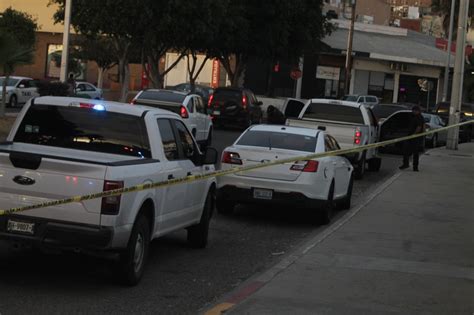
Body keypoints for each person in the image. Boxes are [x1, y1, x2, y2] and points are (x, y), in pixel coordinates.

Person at [399, 105, 425, 171]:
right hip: (413, 137)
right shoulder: (418, 117)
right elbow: (424, 127)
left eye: (414, 110)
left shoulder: (419, 117)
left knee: (414, 152)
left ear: (417, 111)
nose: (412, 112)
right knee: (407, 151)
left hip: (415, 138)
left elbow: (419, 127)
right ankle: (407, 164)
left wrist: (414, 134)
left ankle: (414, 167)